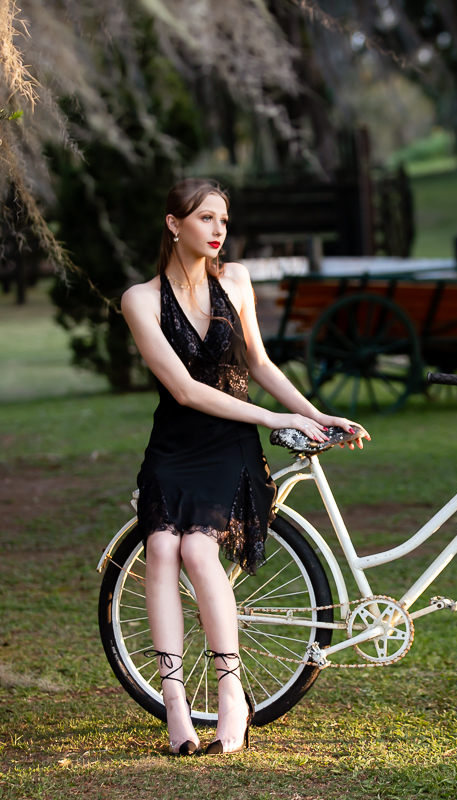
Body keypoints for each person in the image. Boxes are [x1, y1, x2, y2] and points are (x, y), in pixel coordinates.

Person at [120, 179, 370, 756]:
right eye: (205, 218)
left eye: (223, 221)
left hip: (229, 445)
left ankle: (231, 692)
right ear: (173, 224)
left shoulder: (235, 280)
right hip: (175, 444)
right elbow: (182, 390)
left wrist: (311, 413)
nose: (217, 231)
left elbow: (258, 360)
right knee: (160, 549)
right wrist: (271, 419)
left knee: (198, 551)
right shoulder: (141, 299)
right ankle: (175, 702)